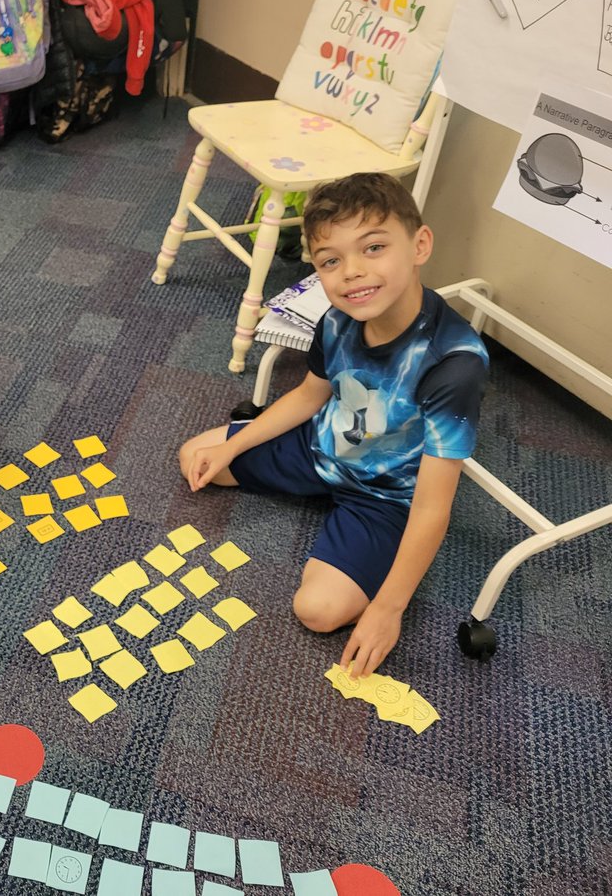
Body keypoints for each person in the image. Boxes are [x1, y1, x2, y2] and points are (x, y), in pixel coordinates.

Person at [179, 172, 488, 678]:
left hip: (387, 496)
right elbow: (309, 395)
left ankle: (364, 548)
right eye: (331, 261)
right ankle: (313, 491)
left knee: (317, 611)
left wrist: (387, 609)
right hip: (322, 446)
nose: (353, 273)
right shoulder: (338, 318)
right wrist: (234, 447)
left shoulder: (453, 362)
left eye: (374, 248)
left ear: (420, 245)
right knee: (196, 457)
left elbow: (434, 506)